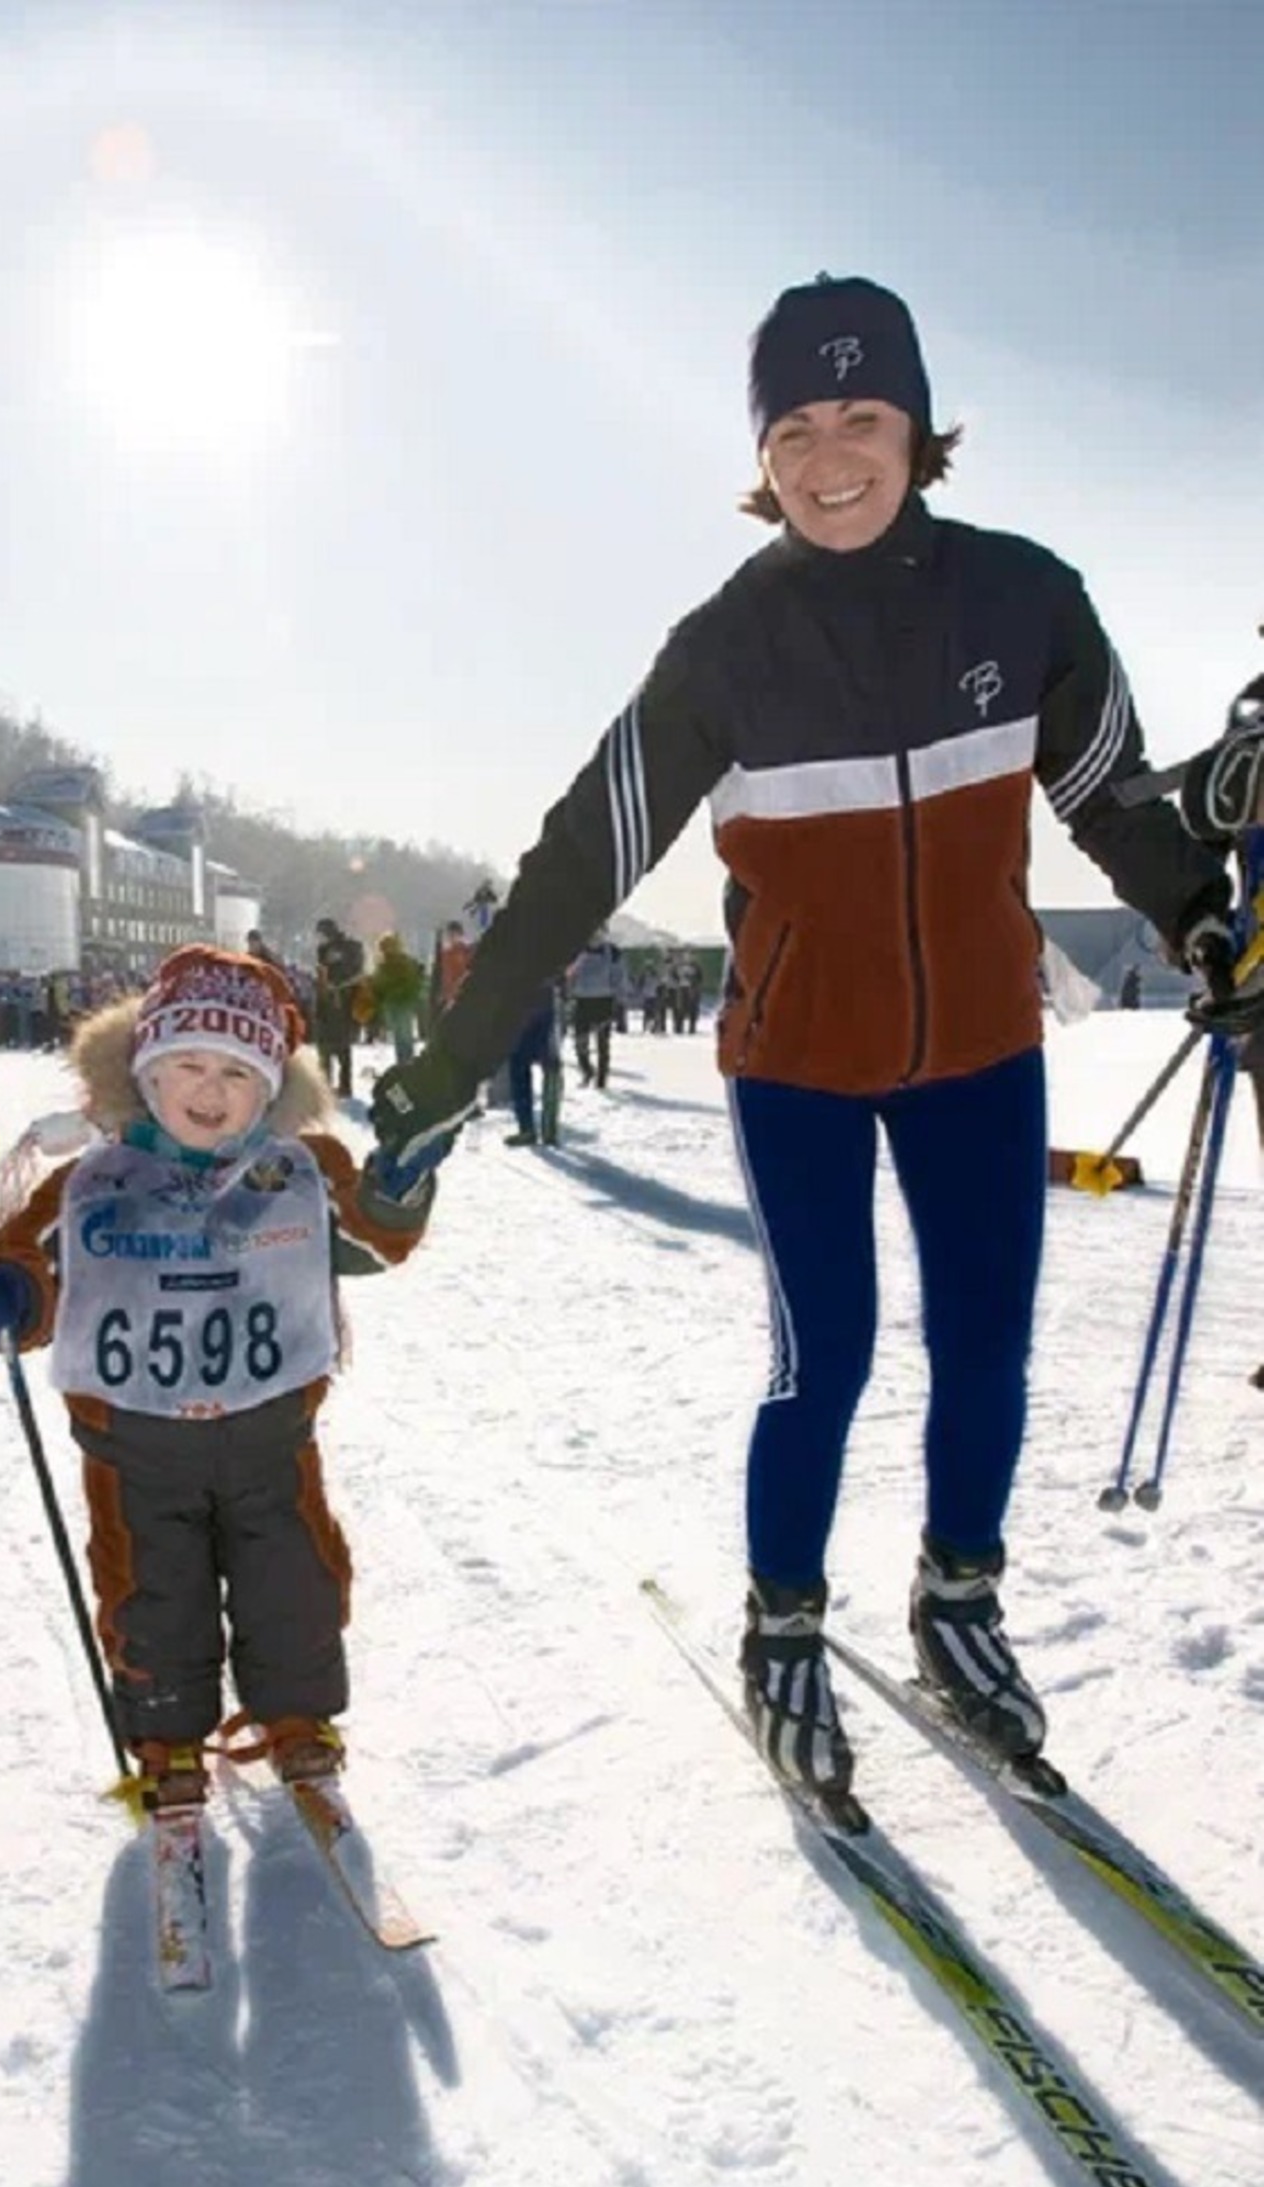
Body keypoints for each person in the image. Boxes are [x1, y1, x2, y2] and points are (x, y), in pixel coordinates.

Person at [364, 273, 1257, 1814]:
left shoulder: (1025, 599)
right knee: (823, 1354)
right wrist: (449, 1067)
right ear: (759, 453)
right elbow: (580, 861)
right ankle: (785, 1621)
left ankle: (958, 1601)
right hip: (799, 1062)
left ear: (919, 428)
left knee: (989, 1346)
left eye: (863, 417)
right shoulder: (725, 650)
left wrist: (1205, 923)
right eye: (795, 428)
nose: (832, 455)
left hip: (982, 1041)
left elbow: (1110, 800)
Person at [0, 943, 431, 1806]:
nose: (209, 1093)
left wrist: (398, 1186)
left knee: (292, 1576)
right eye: (187, 1066)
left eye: (237, 1074)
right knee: (149, 1586)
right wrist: (12, 1294)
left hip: (269, 1433)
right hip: (133, 1440)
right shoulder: (90, 1182)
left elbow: (375, 1239)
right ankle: (168, 1732)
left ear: (270, 1089)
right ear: (145, 1073)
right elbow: (37, 1269)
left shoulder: (297, 1170)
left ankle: (296, 1717)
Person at [504, 981, 563, 1148]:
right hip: (541, 1003)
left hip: (520, 1005)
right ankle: (548, 1129)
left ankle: (528, 1129)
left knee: (520, 1068)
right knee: (549, 1066)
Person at [312, 918, 363, 1098]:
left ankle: (344, 1086)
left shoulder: (350, 948)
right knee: (326, 1047)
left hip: (343, 1003)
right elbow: (321, 977)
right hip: (326, 1004)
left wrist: (338, 985)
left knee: (342, 1047)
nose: (318, 938)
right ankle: (327, 1085)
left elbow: (358, 973)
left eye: (320, 934)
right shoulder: (322, 950)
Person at [566, 933, 625, 1087]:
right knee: (580, 1041)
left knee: (602, 1043)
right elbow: (569, 974)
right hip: (582, 1001)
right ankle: (586, 1069)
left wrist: (618, 999)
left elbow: (619, 977)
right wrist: (568, 989)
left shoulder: (613, 952)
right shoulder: (576, 951)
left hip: (604, 1001)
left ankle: (601, 1079)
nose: (595, 936)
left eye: (599, 932)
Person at [368, 931, 427, 1064]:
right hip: (396, 1003)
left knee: (403, 1036)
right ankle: (404, 1061)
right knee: (401, 1036)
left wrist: (386, 994)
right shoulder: (386, 964)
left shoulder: (401, 963)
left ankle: (406, 1062)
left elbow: (409, 983)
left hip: (400, 1003)